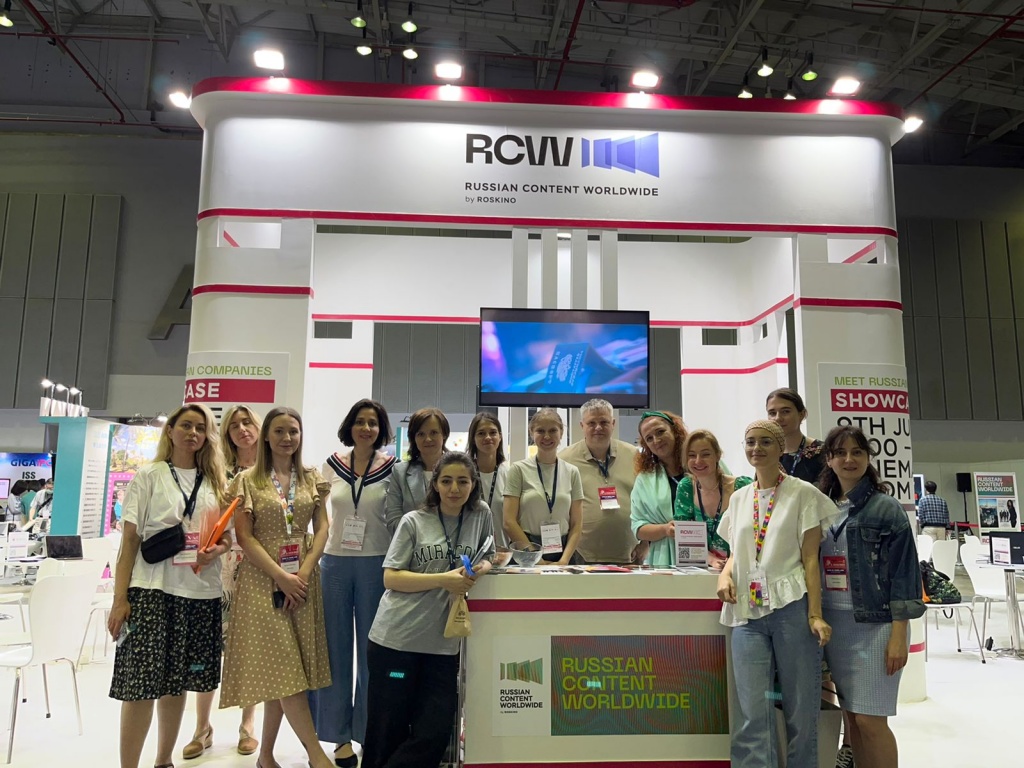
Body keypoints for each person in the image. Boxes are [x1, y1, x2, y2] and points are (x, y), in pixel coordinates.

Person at [107, 403, 231, 768]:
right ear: (171, 431)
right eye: (186, 425)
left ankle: (164, 760)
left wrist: (217, 549)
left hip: (199, 592)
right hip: (151, 591)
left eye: (201, 428)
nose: (193, 433)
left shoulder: (216, 482)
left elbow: (227, 537)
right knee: (140, 686)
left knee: (176, 684)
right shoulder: (150, 475)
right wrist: (120, 599)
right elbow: (130, 542)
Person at [218, 406, 335, 768]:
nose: (287, 438)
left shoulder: (312, 478)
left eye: (293, 431)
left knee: (281, 671)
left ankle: (266, 755)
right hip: (261, 580)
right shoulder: (247, 481)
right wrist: (281, 576)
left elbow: (323, 528)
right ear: (266, 435)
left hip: (302, 580)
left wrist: (303, 572)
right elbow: (245, 537)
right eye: (280, 431)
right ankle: (316, 755)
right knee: (285, 669)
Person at [362, 451, 495, 768]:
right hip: (396, 644)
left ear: (473, 484)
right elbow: (391, 577)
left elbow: (490, 552)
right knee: (387, 731)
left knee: (434, 732)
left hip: (442, 648)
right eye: (446, 481)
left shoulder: (481, 514)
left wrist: (481, 569)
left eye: (462, 481)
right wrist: (443, 580)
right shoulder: (414, 521)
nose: (454, 489)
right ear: (435, 484)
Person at [716, 419, 836, 768]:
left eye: (765, 442)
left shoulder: (803, 493)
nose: (757, 448)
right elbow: (737, 552)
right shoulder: (740, 497)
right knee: (751, 711)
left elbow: (811, 559)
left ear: (781, 447)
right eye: (750, 441)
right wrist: (724, 575)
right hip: (747, 613)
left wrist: (815, 614)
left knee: (801, 708)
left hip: (791, 608)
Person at [817, 425, 924, 768]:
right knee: (853, 720)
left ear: (867, 458)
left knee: (871, 721)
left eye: (857, 452)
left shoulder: (885, 508)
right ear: (829, 460)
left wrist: (899, 634)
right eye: (840, 453)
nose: (849, 459)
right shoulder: (821, 507)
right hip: (835, 626)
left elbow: (905, 574)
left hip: (876, 626)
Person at [311, 399, 397, 768]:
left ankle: (368, 731)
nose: (366, 428)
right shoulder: (331, 465)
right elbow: (319, 517)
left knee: (371, 653)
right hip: (334, 564)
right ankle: (339, 736)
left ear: (381, 429)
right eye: (360, 422)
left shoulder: (393, 467)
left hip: (376, 563)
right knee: (335, 651)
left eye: (373, 423)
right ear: (350, 426)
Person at [182, 404, 262, 760]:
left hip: (259, 565)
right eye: (234, 425)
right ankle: (202, 727)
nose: (242, 429)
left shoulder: (270, 471)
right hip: (220, 565)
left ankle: (248, 724)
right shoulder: (218, 470)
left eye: (248, 422)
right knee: (209, 645)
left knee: (250, 647)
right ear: (226, 433)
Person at [559, 398, 643, 564]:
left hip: (631, 555)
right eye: (591, 423)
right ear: (582, 426)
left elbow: (647, 502)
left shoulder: (634, 456)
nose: (598, 427)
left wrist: (646, 543)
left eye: (604, 422)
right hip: (581, 556)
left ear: (613, 424)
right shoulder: (564, 460)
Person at [503, 408, 584, 564]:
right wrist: (535, 558)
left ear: (561, 433)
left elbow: (577, 524)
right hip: (527, 550)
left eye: (553, 430)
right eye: (540, 431)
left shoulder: (572, 472)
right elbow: (509, 521)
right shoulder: (518, 470)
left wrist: (564, 560)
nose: (547, 436)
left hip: (563, 553)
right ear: (531, 433)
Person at [675, 429, 753, 570]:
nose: (698, 461)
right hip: (704, 569)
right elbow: (685, 539)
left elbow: (753, 533)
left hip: (741, 567)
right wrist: (711, 560)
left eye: (705, 454)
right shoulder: (686, 487)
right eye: (692, 455)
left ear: (718, 455)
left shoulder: (742, 486)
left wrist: (730, 563)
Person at [630, 410, 688, 566]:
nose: (656, 440)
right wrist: (665, 530)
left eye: (660, 432)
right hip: (665, 558)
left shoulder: (702, 464)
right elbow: (638, 528)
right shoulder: (645, 479)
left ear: (675, 430)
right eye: (649, 438)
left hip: (711, 553)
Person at [386, 407, 449, 530]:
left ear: (444, 434)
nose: (428, 439)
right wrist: (422, 536)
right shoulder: (400, 472)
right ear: (413, 438)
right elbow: (393, 520)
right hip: (412, 541)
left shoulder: (460, 469)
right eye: (421, 434)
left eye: (434, 432)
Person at [766, 388, 826, 484]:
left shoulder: (823, 452)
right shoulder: (767, 454)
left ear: (802, 414)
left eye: (785, 411)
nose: (778, 418)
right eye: (772, 413)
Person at [468, 412, 509, 547]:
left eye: (493, 433)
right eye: (481, 433)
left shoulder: (510, 473)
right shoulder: (465, 474)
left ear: (500, 437)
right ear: (473, 438)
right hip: (470, 549)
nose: (487, 437)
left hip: (503, 549)